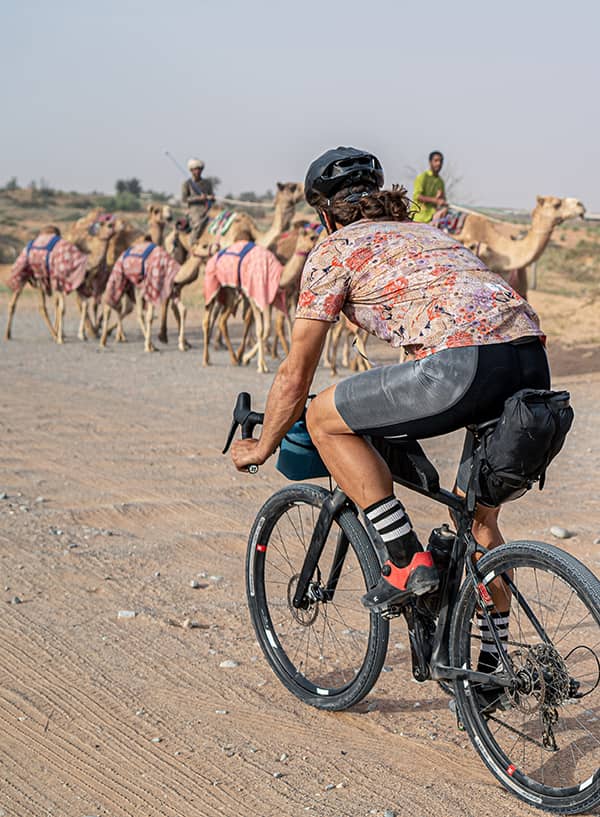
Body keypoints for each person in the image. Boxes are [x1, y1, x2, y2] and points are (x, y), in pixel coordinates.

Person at [230, 146, 548, 629]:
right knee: (478, 524)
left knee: (321, 417)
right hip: (532, 366)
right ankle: (490, 675)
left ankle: (404, 560)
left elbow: (297, 375)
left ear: (324, 214)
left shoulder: (334, 250)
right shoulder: (427, 233)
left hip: (462, 365)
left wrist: (262, 445)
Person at [181, 159, 214, 244]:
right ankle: (192, 243)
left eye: (199, 169)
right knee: (198, 224)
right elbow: (184, 199)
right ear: (191, 170)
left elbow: (212, 197)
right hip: (194, 210)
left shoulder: (207, 183)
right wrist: (198, 198)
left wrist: (211, 198)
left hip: (207, 209)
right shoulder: (187, 184)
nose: (198, 171)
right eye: (195, 169)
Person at [412, 150, 447, 223]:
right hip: (419, 217)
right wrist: (435, 200)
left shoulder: (441, 182)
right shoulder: (422, 177)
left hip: (433, 217)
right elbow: (417, 196)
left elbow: (442, 200)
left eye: (441, 161)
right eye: (436, 161)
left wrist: (441, 199)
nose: (439, 163)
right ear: (430, 162)